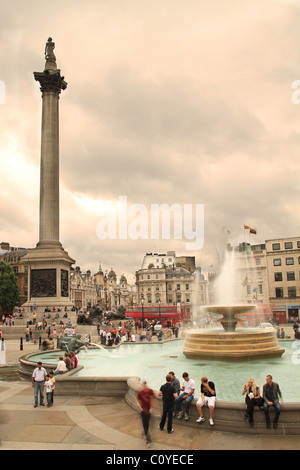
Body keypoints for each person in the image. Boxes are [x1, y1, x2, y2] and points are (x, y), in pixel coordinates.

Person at [136, 381, 154, 447]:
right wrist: (140, 408)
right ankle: (148, 440)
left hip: (149, 411)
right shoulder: (140, 393)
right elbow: (137, 400)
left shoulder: (150, 391)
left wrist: (152, 407)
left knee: (148, 424)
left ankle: (145, 433)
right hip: (143, 412)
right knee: (145, 425)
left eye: (145, 385)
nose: (144, 387)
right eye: (143, 386)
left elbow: (152, 399)